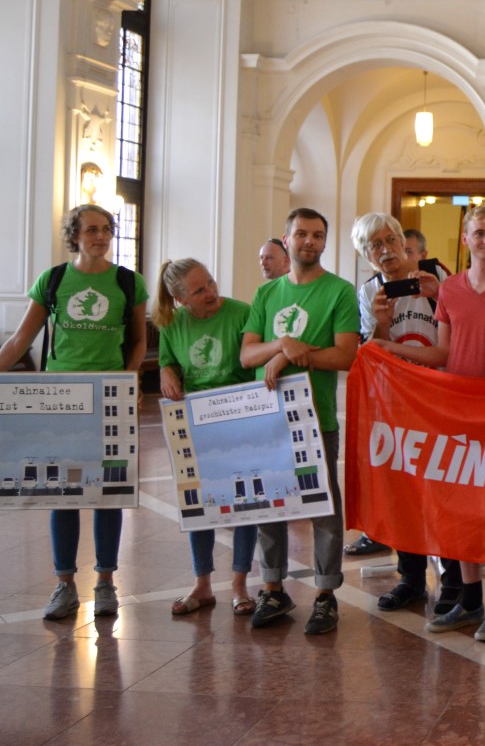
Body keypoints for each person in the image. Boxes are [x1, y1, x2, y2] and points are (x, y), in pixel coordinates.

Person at [383, 204, 485, 642]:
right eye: (479, 233)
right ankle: (469, 600)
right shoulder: (450, 291)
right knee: (461, 508)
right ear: (465, 239)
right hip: (458, 410)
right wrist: (387, 348)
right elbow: (442, 354)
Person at [0, 204, 148, 620]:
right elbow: (19, 341)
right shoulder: (53, 281)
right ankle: (64, 584)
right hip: (59, 397)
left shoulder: (128, 281)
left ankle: (105, 583)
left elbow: (138, 341)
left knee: (109, 493)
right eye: (91, 230)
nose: (100, 237)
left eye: (106, 230)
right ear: (74, 236)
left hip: (108, 396)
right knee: (62, 493)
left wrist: (128, 378)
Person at [240, 208, 360, 635]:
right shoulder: (266, 294)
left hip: (315, 416)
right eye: (302, 234)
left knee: (323, 506)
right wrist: (280, 346)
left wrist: (288, 353)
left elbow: (346, 355)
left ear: (324, 243)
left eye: (318, 235)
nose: (310, 241)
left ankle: (326, 595)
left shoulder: (339, 292)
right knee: (269, 502)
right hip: (266, 416)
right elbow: (246, 355)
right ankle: (272, 589)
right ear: (286, 240)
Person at [349, 212, 462, 614]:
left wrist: (437, 296)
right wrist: (380, 324)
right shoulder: (369, 292)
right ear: (366, 255)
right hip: (396, 404)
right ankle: (411, 578)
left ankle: (454, 581)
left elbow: (461, 329)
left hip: (438, 398)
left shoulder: (438, 275)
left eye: (389, 241)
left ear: (403, 242)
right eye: (373, 246)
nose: (384, 251)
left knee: (443, 493)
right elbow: (371, 351)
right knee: (404, 495)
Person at [154, 258, 257, 617]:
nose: (211, 292)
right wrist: (166, 372)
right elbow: (168, 360)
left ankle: (240, 583)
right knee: (198, 504)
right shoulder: (171, 324)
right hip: (196, 420)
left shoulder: (242, 313)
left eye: (211, 282)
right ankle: (203, 583)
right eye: (200, 290)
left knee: (244, 503)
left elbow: (255, 361)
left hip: (240, 415)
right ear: (181, 299)